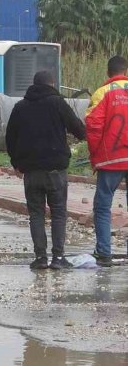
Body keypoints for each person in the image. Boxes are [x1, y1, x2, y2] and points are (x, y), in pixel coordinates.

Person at [6, 70, 86, 270]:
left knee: (36, 214)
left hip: (31, 172)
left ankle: (41, 258)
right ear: (51, 84)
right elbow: (79, 130)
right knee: (59, 214)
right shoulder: (58, 103)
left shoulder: (20, 107)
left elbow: (10, 138)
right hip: (55, 171)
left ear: (34, 85)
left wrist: (16, 163)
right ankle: (58, 258)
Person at [85, 55, 128, 268]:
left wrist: (95, 157)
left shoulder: (103, 93)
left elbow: (93, 127)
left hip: (112, 159)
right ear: (125, 71)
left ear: (108, 72)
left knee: (103, 206)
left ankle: (104, 253)